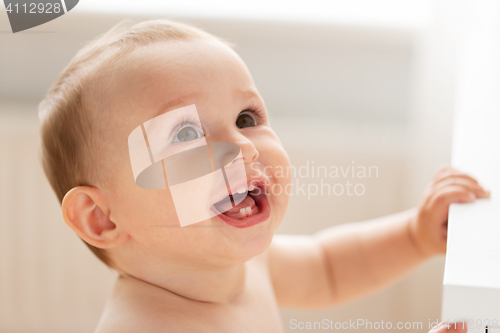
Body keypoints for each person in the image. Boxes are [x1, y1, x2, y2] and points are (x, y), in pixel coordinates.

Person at [38, 19, 487, 332]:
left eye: (246, 118)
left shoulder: (244, 265)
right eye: (188, 133)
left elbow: (328, 268)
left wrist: (415, 236)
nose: (244, 146)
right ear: (101, 218)